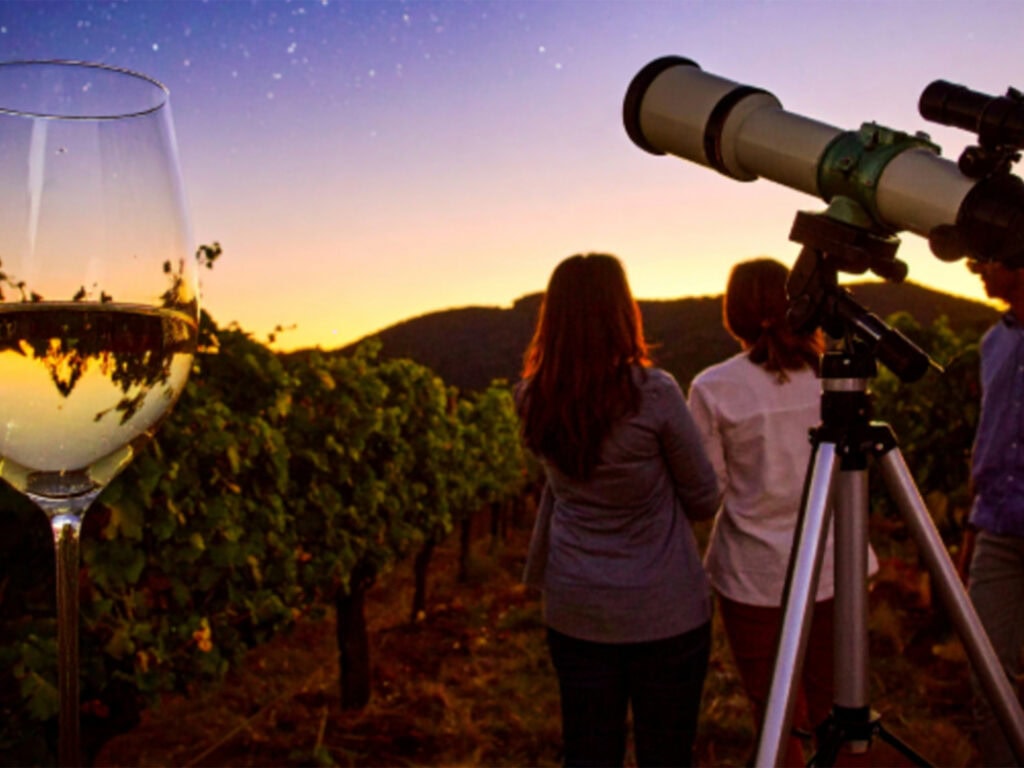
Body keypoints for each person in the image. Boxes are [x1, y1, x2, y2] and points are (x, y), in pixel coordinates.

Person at [517, 253, 720, 767]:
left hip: (577, 606)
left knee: (588, 751)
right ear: (621, 312)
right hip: (665, 610)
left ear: (553, 317)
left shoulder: (530, 397)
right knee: (667, 753)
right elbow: (702, 499)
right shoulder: (654, 393)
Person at [687, 257, 877, 766]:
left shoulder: (712, 387)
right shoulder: (836, 377)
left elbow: (711, 489)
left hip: (755, 575)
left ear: (735, 312)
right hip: (840, 564)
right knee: (840, 714)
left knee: (776, 718)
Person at [963, 257, 1024, 767]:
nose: (975, 268)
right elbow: (989, 439)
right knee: (988, 675)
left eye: (985, 258)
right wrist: (970, 528)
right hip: (997, 532)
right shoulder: (993, 343)